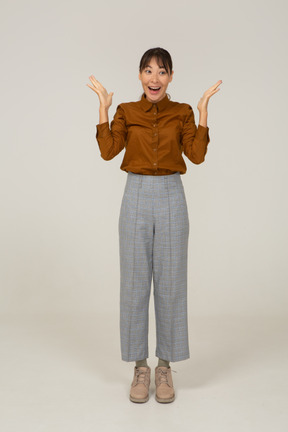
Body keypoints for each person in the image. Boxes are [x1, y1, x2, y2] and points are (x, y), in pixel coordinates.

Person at [87, 47, 222, 404]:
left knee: (171, 281)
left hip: (172, 196)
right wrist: (102, 106)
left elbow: (196, 155)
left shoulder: (182, 112)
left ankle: (164, 367)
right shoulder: (127, 112)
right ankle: (140, 367)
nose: (154, 78)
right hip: (135, 194)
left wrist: (204, 112)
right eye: (148, 71)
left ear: (171, 77)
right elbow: (107, 150)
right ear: (139, 75)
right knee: (134, 283)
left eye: (162, 72)